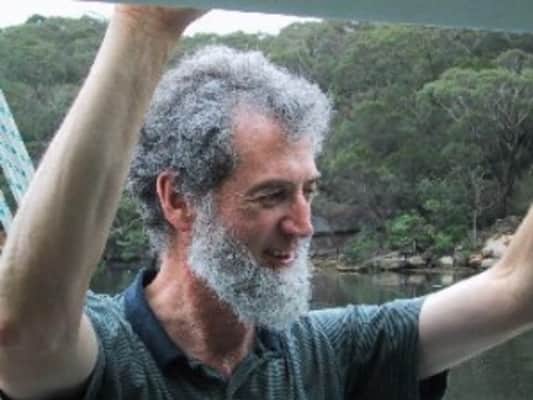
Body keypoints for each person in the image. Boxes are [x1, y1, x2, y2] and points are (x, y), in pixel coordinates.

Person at [1, 4, 533, 400]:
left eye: (309, 190)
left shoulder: (325, 350)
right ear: (179, 200)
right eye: (273, 195)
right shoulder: (109, 350)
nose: (304, 225)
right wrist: (144, 25)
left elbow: (517, 290)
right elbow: (19, 330)